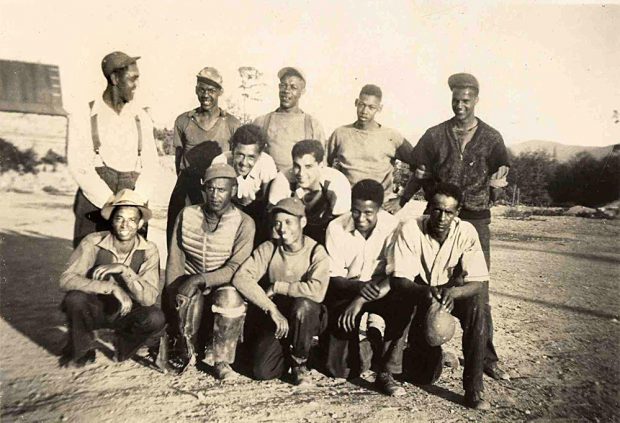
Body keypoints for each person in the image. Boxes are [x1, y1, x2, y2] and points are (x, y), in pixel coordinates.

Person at [399, 73, 510, 380]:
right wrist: (403, 198)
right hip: (439, 216)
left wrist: (498, 181)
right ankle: (417, 348)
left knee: (477, 288)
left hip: (475, 217)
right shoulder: (435, 135)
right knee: (428, 281)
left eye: (466, 100)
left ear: (476, 100)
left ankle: (486, 356)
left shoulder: (492, 137)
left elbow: (501, 171)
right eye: (455, 100)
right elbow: (419, 171)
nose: (460, 105)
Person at [390, 183, 491, 410]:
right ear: (428, 208)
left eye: (448, 212)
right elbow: (400, 279)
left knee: (477, 307)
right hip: (420, 290)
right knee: (424, 374)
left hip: (450, 291)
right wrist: (424, 292)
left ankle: (474, 387)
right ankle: (390, 370)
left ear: (457, 213)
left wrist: (454, 293)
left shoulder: (466, 231)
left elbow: (478, 281)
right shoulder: (411, 228)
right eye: (437, 209)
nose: (442, 217)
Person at [163, 163, 255, 380]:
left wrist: (200, 279)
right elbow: (175, 258)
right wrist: (173, 294)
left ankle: (222, 360)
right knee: (184, 293)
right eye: (210, 188)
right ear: (203, 188)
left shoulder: (244, 222)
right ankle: (187, 351)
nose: (215, 195)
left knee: (230, 299)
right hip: (191, 276)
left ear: (233, 190)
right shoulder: (187, 214)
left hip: (223, 282)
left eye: (222, 190)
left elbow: (234, 268)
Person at [322, 179, 412, 396]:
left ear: (379, 209)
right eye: (356, 211)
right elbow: (334, 278)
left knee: (404, 302)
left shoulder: (393, 227)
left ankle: (387, 371)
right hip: (348, 288)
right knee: (340, 370)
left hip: (382, 289)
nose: (361, 218)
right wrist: (359, 292)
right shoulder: (336, 227)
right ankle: (371, 342)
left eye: (368, 213)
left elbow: (395, 275)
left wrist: (361, 299)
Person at [59, 189, 164, 367]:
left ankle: (123, 345)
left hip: (127, 311)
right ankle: (83, 349)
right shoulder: (93, 242)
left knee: (155, 318)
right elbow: (66, 279)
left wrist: (125, 271)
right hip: (95, 308)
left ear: (140, 224)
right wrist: (111, 288)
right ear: (111, 221)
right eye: (119, 218)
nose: (125, 225)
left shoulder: (149, 250)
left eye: (132, 220)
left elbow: (149, 298)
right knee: (74, 300)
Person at [232, 197, 330, 386]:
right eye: (277, 223)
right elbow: (241, 278)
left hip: (307, 317)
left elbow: (317, 291)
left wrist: (278, 287)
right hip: (279, 317)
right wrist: (271, 309)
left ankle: (300, 362)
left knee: (304, 306)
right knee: (262, 371)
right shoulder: (270, 248)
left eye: (288, 222)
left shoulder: (316, 251)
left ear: (302, 222)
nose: (282, 228)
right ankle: (288, 351)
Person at [68, 51, 160, 248]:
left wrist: (134, 203)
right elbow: (79, 166)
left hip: (133, 204)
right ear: (115, 78)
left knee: (129, 270)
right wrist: (109, 203)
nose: (137, 85)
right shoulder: (84, 114)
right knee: (89, 268)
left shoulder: (141, 117)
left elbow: (152, 165)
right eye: (132, 78)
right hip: (94, 203)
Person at [166, 67, 242, 246]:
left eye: (211, 91)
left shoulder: (232, 123)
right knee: (177, 232)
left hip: (217, 187)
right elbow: (179, 157)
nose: (205, 95)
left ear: (219, 93)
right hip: (188, 184)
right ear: (195, 90)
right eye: (201, 89)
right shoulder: (183, 120)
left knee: (217, 238)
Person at [326, 84, 414, 211]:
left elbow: (419, 165)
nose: (364, 111)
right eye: (362, 104)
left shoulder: (392, 137)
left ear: (379, 108)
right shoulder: (340, 133)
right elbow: (323, 166)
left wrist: (402, 199)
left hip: (379, 206)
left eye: (371, 107)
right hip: (345, 204)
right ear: (356, 103)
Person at [268, 139, 351, 244]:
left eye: (308, 167)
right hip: (292, 235)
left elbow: (342, 227)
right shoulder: (283, 179)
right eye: (297, 166)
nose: (301, 173)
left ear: (321, 165)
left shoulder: (337, 182)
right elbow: (275, 228)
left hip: (326, 236)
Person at [212, 124, 278, 244]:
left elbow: (267, 205)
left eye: (251, 157)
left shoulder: (266, 163)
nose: (244, 163)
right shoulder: (220, 162)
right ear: (232, 149)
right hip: (228, 211)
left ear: (260, 155)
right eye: (240, 155)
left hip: (257, 212)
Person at [254, 67, 325, 171]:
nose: (287, 91)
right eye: (283, 85)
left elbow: (321, 165)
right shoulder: (261, 122)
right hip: (268, 183)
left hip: (300, 183)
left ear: (302, 91)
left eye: (293, 87)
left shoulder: (313, 125)